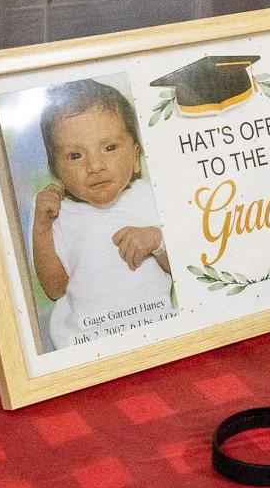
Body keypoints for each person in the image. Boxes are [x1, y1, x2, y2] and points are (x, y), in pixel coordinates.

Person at [31, 80, 174, 348]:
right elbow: (54, 289)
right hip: (87, 339)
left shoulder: (147, 196)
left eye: (109, 148)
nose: (95, 166)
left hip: (154, 328)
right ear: (57, 172)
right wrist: (41, 228)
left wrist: (156, 240)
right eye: (75, 155)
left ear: (135, 157)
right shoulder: (59, 215)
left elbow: (183, 267)